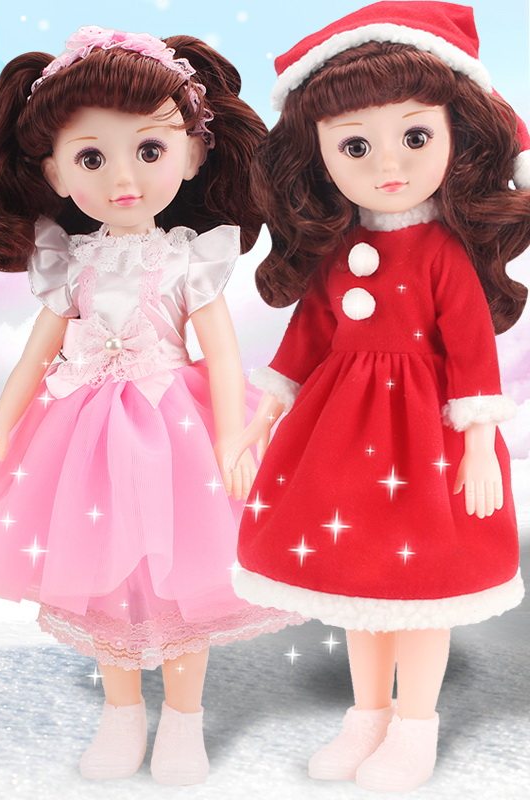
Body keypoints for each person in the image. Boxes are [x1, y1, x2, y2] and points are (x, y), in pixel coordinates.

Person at [0, 26, 301, 786]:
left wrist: (233, 438)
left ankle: (185, 719)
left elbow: (222, 353)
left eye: (150, 150)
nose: (123, 177)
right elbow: (38, 354)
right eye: (92, 157)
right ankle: (122, 713)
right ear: (56, 172)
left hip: (175, 426)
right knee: (100, 578)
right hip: (84, 434)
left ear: (192, 156)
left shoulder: (190, 258)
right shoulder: (72, 262)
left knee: (186, 585)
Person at [232, 2, 530, 792]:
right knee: (359, 585)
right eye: (355, 145)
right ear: (319, 154)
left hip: (429, 435)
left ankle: (414, 724)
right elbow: (306, 337)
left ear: (458, 137)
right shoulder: (339, 248)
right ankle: (366, 716)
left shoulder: (443, 253)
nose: (386, 164)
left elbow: (473, 353)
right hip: (340, 436)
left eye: (416, 136)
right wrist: (265, 412)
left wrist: (477, 445)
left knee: (423, 590)